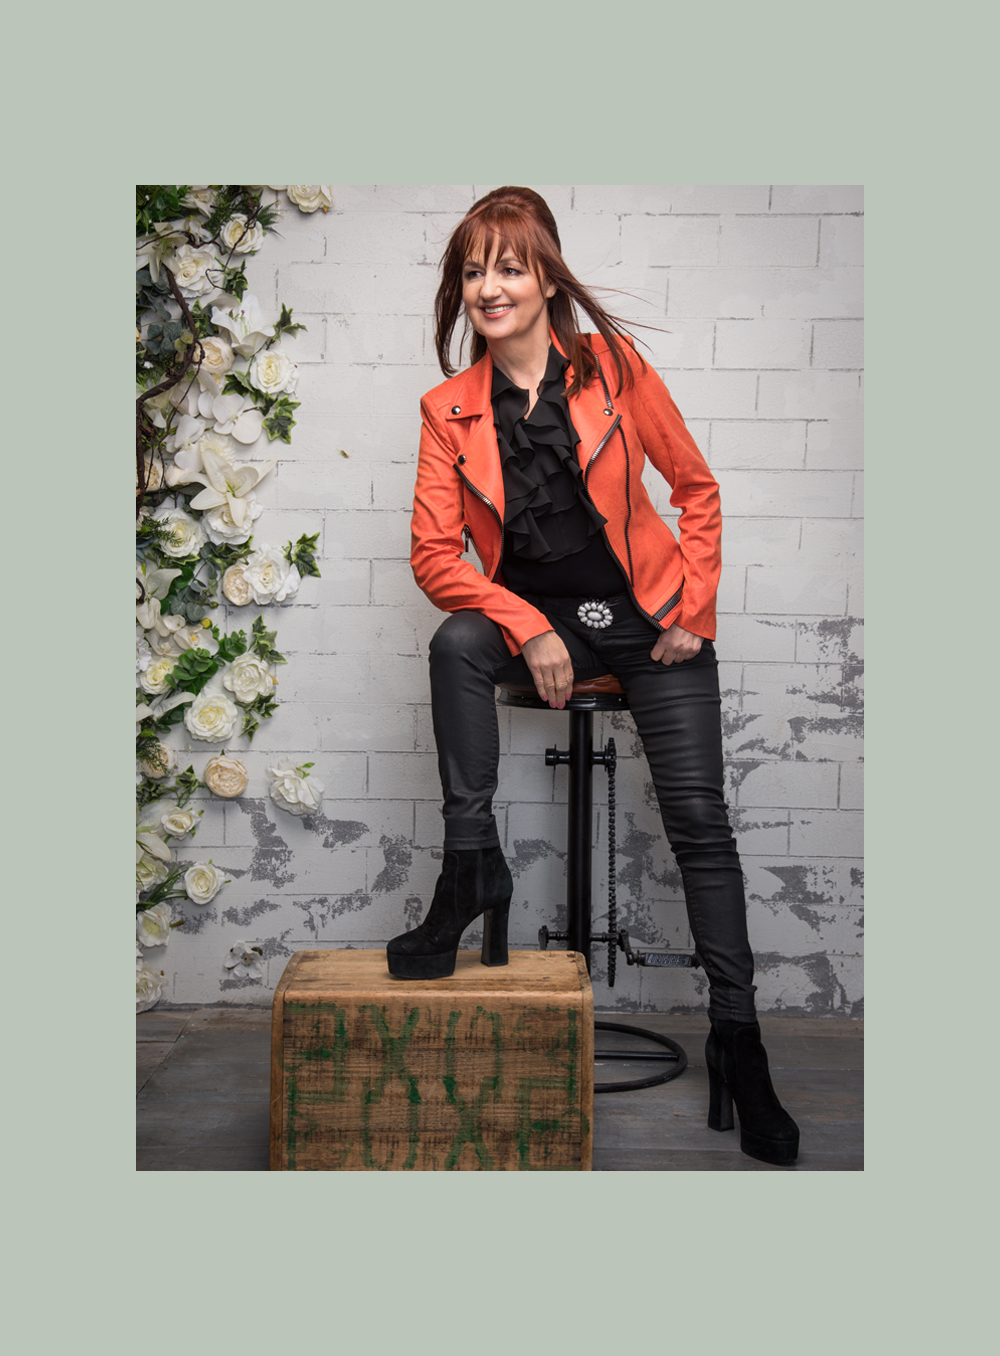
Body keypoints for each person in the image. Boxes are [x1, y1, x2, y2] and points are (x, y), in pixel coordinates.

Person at [386, 187, 798, 1166]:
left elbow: (695, 489)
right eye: (473, 271)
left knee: (699, 822)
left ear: (547, 277)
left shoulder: (613, 368)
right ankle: (471, 864)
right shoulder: (448, 410)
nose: (490, 287)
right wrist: (529, 624)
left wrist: (691, 610)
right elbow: (433, 555)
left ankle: (739, 1042)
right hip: (543, 624)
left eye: (510, 266)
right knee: (454, 642)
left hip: (645, 618)